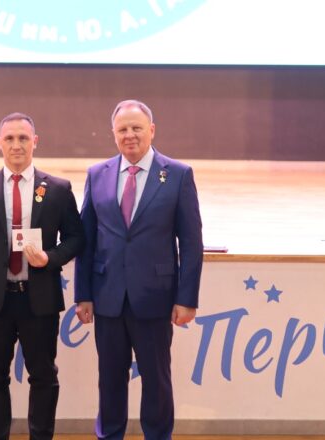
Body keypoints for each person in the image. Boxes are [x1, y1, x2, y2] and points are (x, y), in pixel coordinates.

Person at [74, 100, 203, 439]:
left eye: (136, 128)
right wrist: (83, 294)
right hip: (108, 297)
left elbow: (191, 243)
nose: (129, 135)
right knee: (110, 380)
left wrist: (187, 298)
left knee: (157, 381)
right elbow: (87, 240)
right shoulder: (97, 174)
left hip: (155, 298)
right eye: (122, 129)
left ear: (152, 131)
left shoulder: (178, 175)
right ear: (113, 134)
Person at [0, 112, 85, 440]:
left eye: (23, 138)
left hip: (39, 299)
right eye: (10, 138)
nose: (16, 145)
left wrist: (50, 258)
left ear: (34, 142)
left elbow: (76, 238)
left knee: (43, 376)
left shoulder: (58, 189)